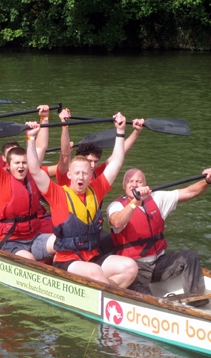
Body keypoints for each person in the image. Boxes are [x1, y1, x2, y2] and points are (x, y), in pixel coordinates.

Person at [27, 113, 138, 287]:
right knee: (95, 272)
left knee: (130, 267)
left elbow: (116, 161)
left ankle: (106, 296)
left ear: (90, 175)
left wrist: (120, 130)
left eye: (85, 173)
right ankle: (108, 299)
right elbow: (34, 170)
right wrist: (30, 138)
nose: (81, 177)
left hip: (93, 256)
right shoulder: (57, 193)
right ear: (70, 175)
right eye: (77, 173)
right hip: (67, 260)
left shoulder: (97, 189)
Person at [106, 167, 211, 299]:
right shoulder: (116, 206)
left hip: (159, 264)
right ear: (124, 185)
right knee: (147, 299)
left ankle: (195, 301)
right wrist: (134, 202)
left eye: (139, 181)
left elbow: (189, 192)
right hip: (136, 268)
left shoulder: (157, 198)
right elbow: (117, 222)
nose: (134, 184)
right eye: (130, 181)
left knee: (190, 257)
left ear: (146, 185)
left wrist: (207, 181)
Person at [0, 108, 55, 261]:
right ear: (7, 165)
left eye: (24, 163)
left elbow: (40, 148)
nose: (21, 166)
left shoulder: (32, 175)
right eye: (17, 163)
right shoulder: (1, 178)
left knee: (62, 242)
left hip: (34, 237)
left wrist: (43, 121)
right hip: (9, 241)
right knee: (28, 259)